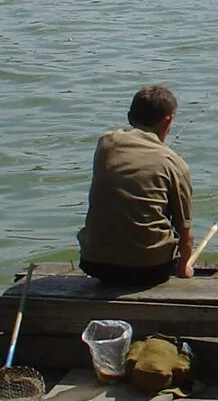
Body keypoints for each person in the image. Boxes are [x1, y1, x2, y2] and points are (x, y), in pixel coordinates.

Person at [77, 85, 194, 287]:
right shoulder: (174, 163)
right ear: (168, 121)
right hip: (149, 270)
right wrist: (184, 267)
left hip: (95, 264)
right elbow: (184, 231)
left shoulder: (106, 143)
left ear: (130, 117)